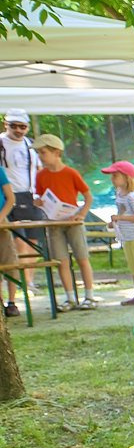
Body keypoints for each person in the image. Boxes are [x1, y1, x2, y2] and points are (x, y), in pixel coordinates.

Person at [32, 134, 97, 309]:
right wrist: (38, 202)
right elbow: (39, 196)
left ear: (56, 152)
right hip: (53, 223)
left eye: (43, 152)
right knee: (62, 261)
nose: (40, 157)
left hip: (72, 221)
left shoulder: (70, 173)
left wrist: (81, 214)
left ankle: (89, 296)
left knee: (82, 258)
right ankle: (70, 298)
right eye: (38, 153)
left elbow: (88, 197)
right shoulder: (40, 175)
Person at [1, 110, 43, 317]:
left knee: (34, 242)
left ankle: (28, 281)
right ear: (5, 125)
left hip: (31, 195)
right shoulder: (1, 143)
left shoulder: (31, 145)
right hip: (10, 197)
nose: (18, 130)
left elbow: (39, 169)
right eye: (13, 126)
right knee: (17, 244)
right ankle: (15, 291)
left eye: (22, 126)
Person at [103, 161, 134, 306]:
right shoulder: (119, 194)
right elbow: (123, 212)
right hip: (126, 236)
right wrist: (115, 222)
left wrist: (120, 218)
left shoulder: (132, 196)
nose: (112, 179)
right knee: (133, 266)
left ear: (126, 177)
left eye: (115, 175)